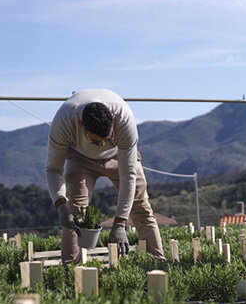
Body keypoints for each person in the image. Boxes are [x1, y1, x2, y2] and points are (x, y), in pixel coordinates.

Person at [45, 89, 165, 265]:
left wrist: (120, 223)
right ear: (81, 125)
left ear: (113, 121)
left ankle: (157, 265)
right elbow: (53, 170)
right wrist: (61, 205)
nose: (102, 145)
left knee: (140, 206)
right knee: (75, 213)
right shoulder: (63, 122)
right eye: (96, 141)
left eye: (107, 138)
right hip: (80, 158)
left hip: (120, 155)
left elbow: (128, 176)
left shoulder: (124, 120)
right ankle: (71, 271)